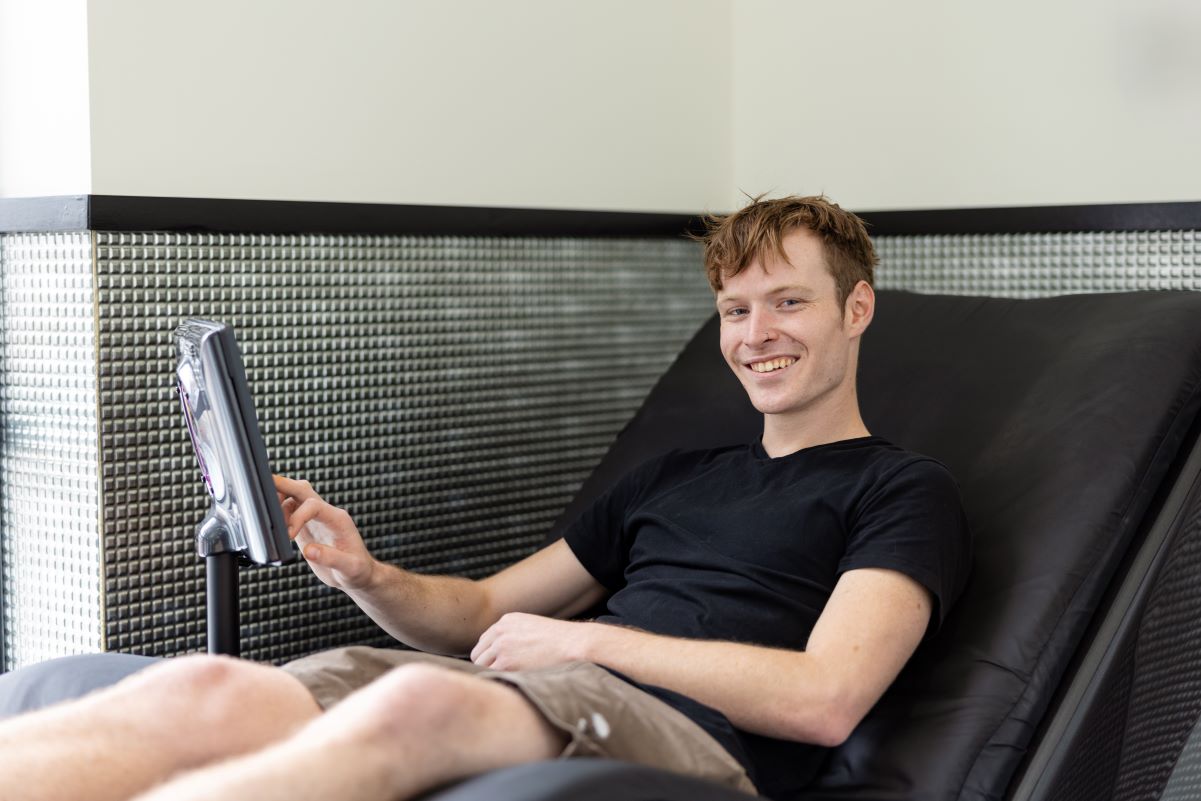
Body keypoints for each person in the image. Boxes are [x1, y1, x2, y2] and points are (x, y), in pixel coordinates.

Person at [0, 194, 971, 801]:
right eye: (734, 309)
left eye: (788, 302)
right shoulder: (675, 475)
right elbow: (479, 612)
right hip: (541, 689)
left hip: (687, 742)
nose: (756, 334)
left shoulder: (900, 489)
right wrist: (365, 572)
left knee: (417, 702)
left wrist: (591, 643)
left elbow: (823, 700)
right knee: (205, 688)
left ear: (855, 308)